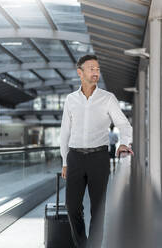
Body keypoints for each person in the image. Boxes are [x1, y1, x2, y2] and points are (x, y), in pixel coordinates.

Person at [60, 54, 133, 248]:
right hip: (74, 157)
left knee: (98, 210)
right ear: (80, 72)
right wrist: (65, 162)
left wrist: (124, 143)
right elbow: (65, 132)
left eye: (98, 69)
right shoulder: (70, 99)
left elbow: (124, 125)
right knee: (72, 207)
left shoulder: (108, 98)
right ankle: (82, 245)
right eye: (91, 69)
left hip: (99, 158)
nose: (96, 72)